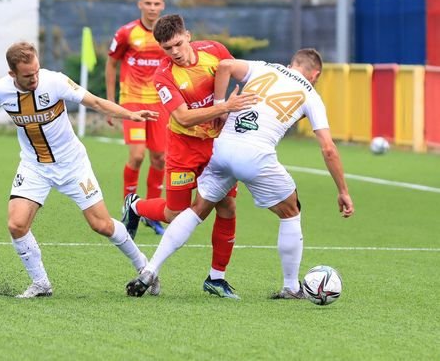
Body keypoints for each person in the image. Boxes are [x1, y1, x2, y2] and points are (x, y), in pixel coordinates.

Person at [126, 49, 354, 299]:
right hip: (256, 156)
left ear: (292, 64)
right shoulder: (311, 94)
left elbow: (225, 65)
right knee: (291, 212)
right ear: (315, 74)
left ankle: (150, 270)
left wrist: (220, 106)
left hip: (222, 147)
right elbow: (328, 149)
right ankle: (291, 287)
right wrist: (343, 191)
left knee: (197, 209)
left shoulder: (264, 66)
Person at [0, 42, 160, 299]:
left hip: (73, 165)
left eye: (36, 70)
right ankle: (41, 284)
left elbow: (94, 101)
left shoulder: (55, 81)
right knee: (16, 225)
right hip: (34, 166)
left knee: (101, 224)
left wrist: (129, 114)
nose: (34, 78)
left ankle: (145, 267)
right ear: (12, 73)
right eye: (28, 75)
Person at [122, 14, 258, 299]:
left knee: (227, 206)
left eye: (178, 44)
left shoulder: (214, 51)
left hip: (217, 147)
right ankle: (135, 206)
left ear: (188, 35)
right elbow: (183, 118)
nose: (175, 52)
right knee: (175, 214)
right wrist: (224, 108)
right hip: (183, 148)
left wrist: (235, 104)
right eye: (167, 48)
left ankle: (216, 278)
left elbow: (240, 74)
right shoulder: (164, 76)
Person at [105, 0, 168, 235]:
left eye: (156, 3)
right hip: (132, 101)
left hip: (160, 103)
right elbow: (111, 64)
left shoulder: (168, 34)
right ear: (139, 5)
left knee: (160, 158)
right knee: (138, 156)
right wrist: (111, 104)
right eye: (148, 3)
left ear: (163, 6)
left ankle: (152, 213)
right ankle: (128, 207)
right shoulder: (126, 33)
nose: (152, 8)